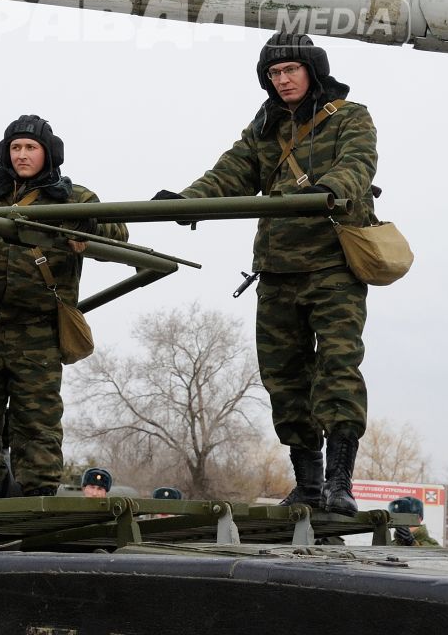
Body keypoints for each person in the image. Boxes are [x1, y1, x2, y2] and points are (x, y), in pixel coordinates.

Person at [161, 31, 378, 515]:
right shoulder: (264, 129)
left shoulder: (350, 117)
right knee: (283, 378)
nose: (281, 81)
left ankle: (340, 482)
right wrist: (189, 200)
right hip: (277, 269)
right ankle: (307, 482)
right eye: (273, 74)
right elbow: (229, 174)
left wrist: (328, 189)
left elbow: (358, 166)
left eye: (290, 71)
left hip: (332, 265)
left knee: (337, 370)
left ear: (312, 70)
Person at [0, 115, 123, 500]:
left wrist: (84, 226)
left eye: (31, 147)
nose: (22, 155)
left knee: (37, 421)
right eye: (16, 147)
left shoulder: (74, 197)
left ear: (49, 153)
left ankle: (37, 500)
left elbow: (119, 234)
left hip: (37, 326)